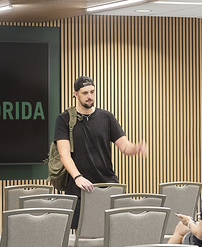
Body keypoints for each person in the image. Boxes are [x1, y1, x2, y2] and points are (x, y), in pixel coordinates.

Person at [54, 75, 149, 225]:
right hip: (79, 188)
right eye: (85, 93)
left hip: (107, 186)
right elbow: (64, 154)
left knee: (110, 230)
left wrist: (136, 147)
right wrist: (78, 177)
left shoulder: (106, 117)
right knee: (83, 235)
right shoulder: (64, 119)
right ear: (75, 94)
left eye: (92, 92)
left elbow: (125, 146)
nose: (90, 96)